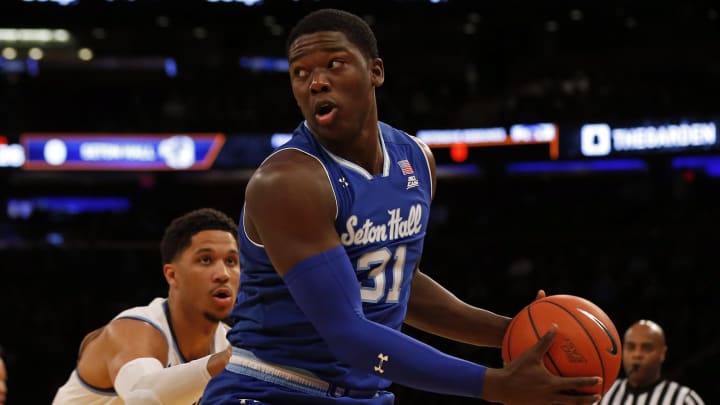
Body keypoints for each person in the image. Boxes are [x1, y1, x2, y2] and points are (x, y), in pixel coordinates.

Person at [202, 8, 603, 405]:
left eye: (333, 64)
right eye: (300, 73)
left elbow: (395, 284)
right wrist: (492, 384)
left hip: (363, 393)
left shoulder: (416, 159)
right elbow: (347, 334)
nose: (316, 82)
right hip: (269, 389)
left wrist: (515, 332)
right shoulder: (288, 180)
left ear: (375, 71)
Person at [52, 208, 241, 405]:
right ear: (172, 275)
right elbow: (142, 397)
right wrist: (226, 361)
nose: (223, 274)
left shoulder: (228, 343)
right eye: (205, 260)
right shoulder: (131, 331)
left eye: (231, 261)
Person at [595, 319, 705, 405]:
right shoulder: (604, 394)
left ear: (662, 353)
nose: (637, 354)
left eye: (647, 348)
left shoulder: (684, 399)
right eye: (631, 347)